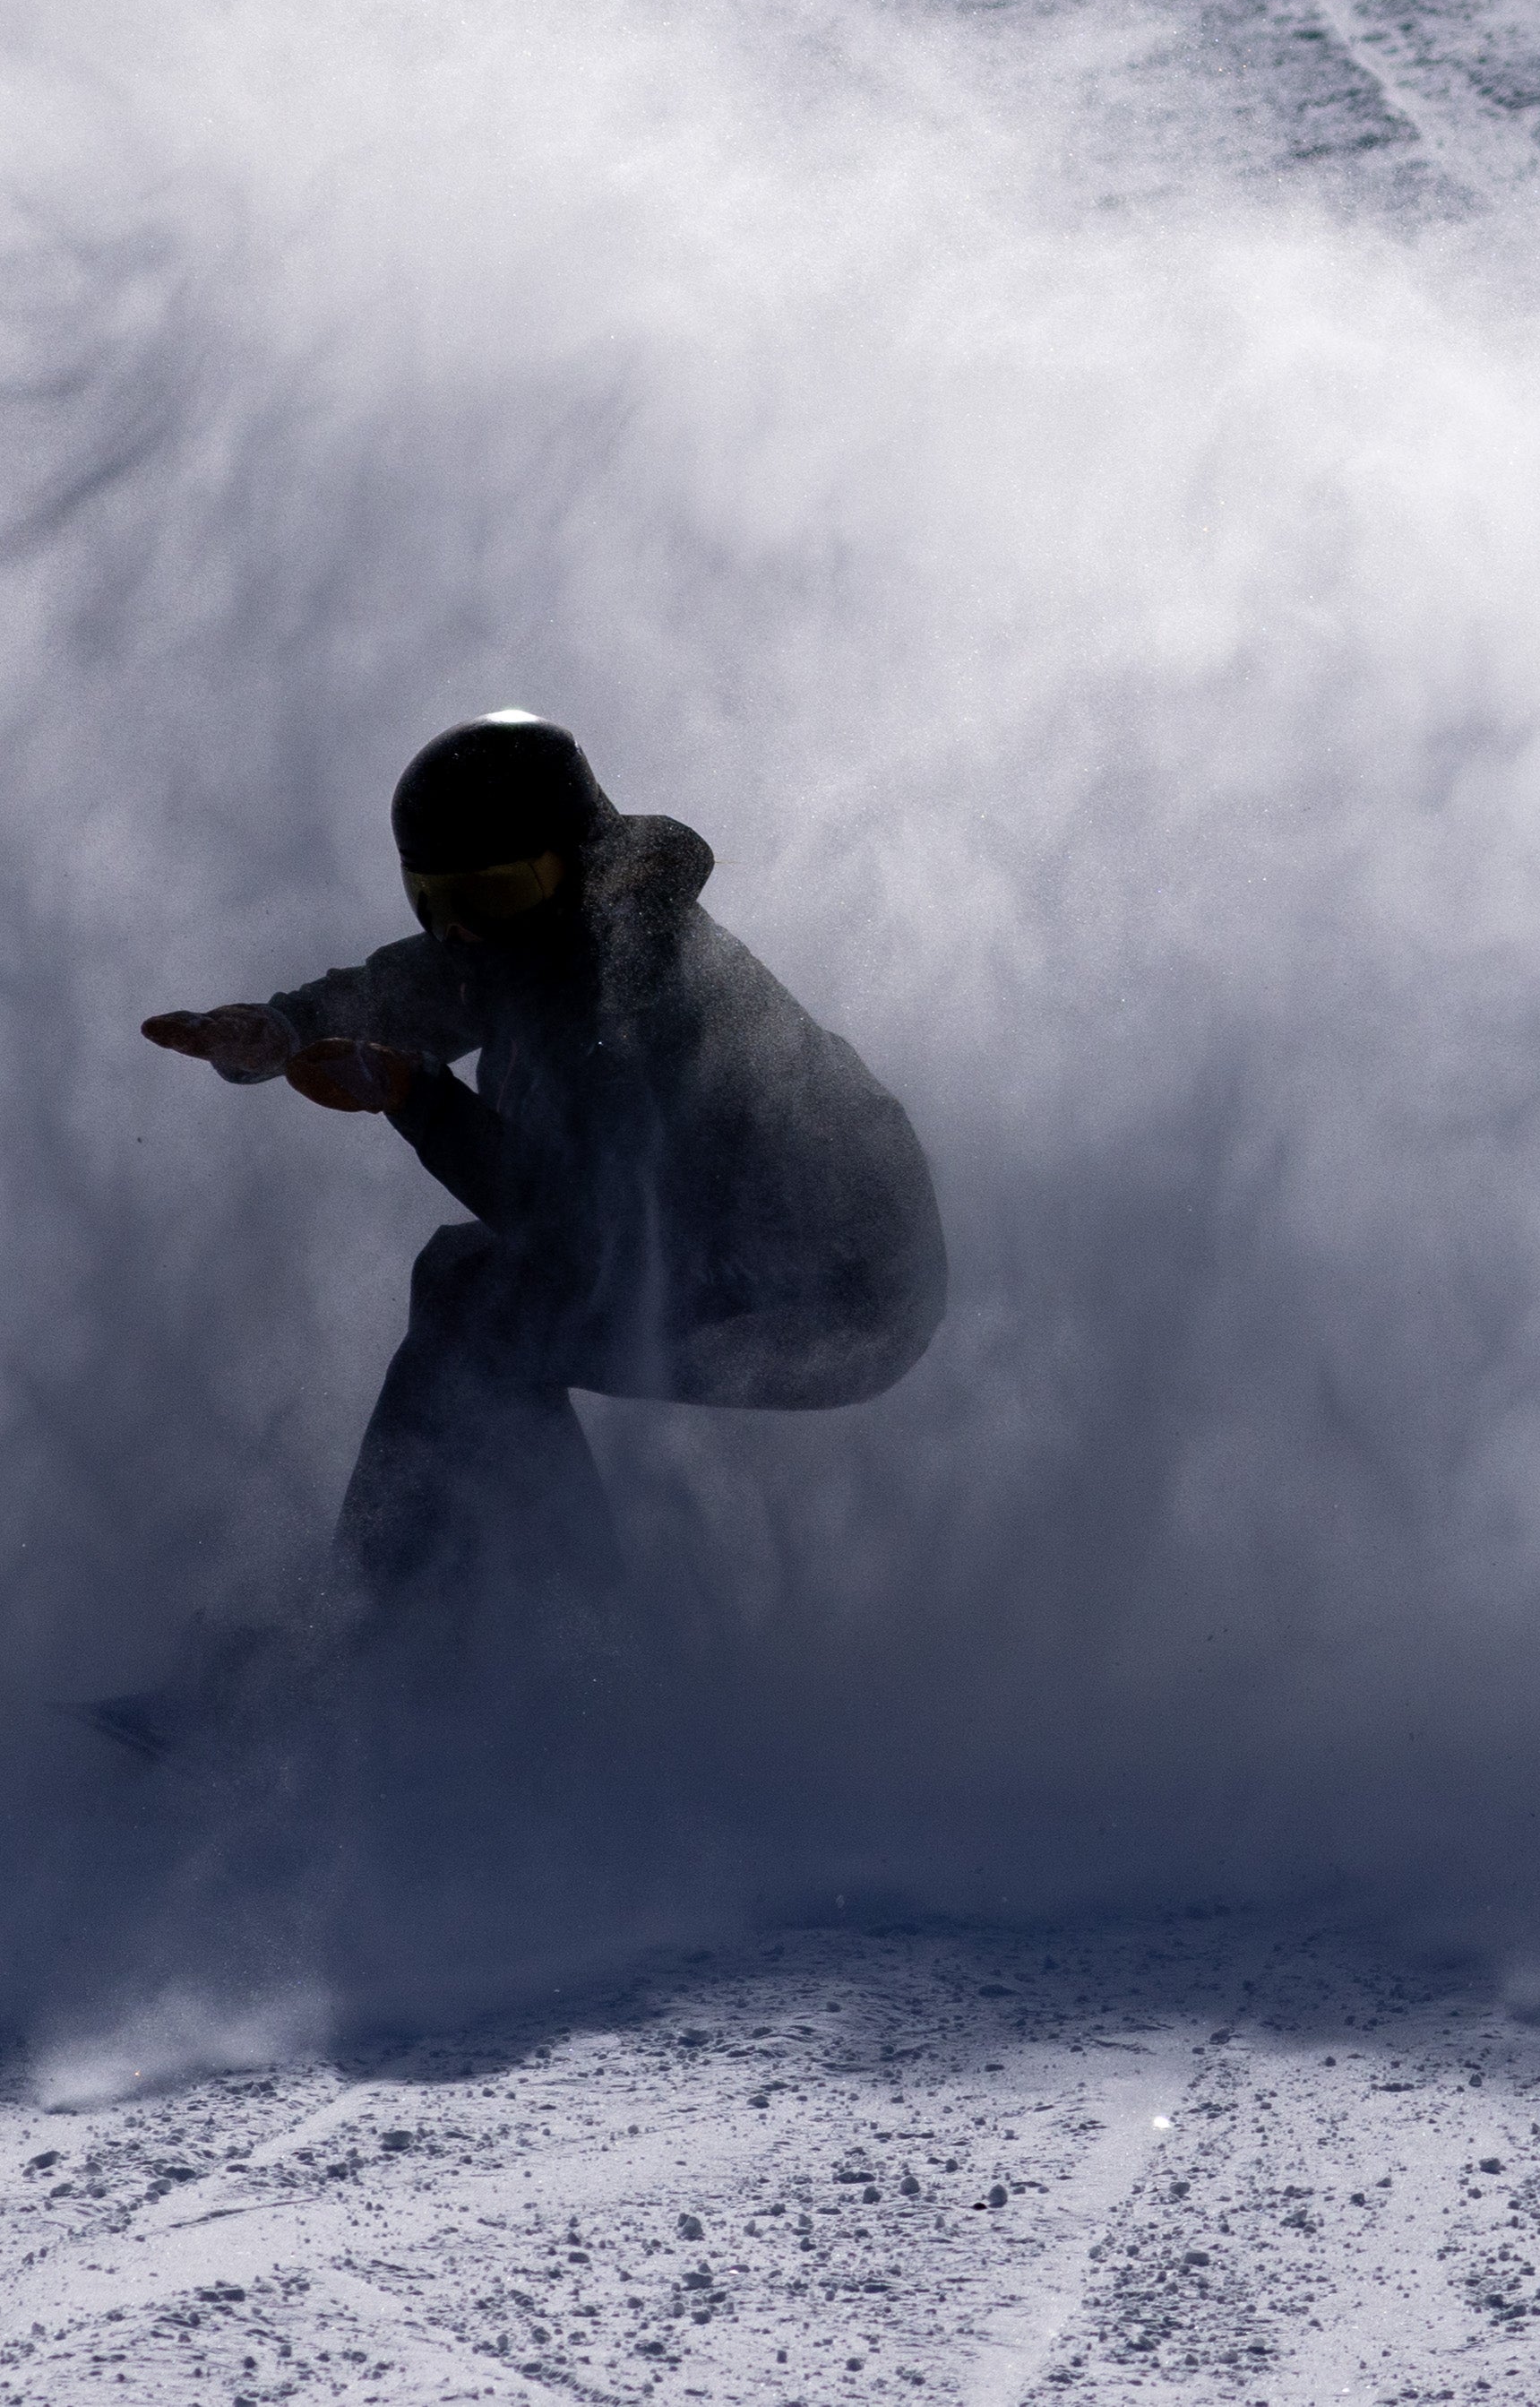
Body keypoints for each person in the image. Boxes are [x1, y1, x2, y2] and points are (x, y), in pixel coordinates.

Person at [113, 712, 944, 1735]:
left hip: (838, 1296)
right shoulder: (521, 943)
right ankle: (527, 1629)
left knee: (481, 1304)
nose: (466, 928)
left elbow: (575, 1228)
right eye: (437, 900)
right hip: (722, 1248)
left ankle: (448, 1648)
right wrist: (280, 1028)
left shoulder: (640, 997)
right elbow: (414, 985)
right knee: (468, 1286)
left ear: (575, 865)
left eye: (496, 893)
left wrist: (417, 1096)